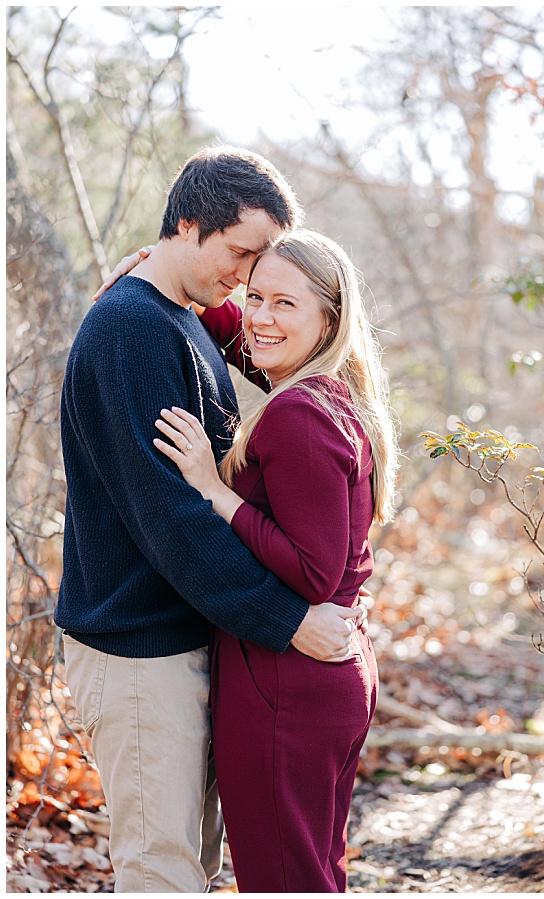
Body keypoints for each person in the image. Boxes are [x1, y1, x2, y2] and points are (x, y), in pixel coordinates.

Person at [56, 146, 362, 893]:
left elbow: (289, 349)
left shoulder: (180, 316)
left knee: (195, 866)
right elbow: (175, 522)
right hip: (140, 650)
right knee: (161, 871)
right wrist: (289, 618)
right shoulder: (131, 329)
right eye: (242, 254)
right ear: (188, 223)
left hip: (192, 636)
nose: (251, 278)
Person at [150, 230, 397, 891]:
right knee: (312, 871)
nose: (261, 316)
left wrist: (212, 489)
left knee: (283, 878)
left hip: (289, 684)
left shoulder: (298, 415)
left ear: (329, 318)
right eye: (255, 296)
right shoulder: (331, 391)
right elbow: (253, 333)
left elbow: (311, 570)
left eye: (284, 303)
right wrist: (170, 276)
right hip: (326, 674)